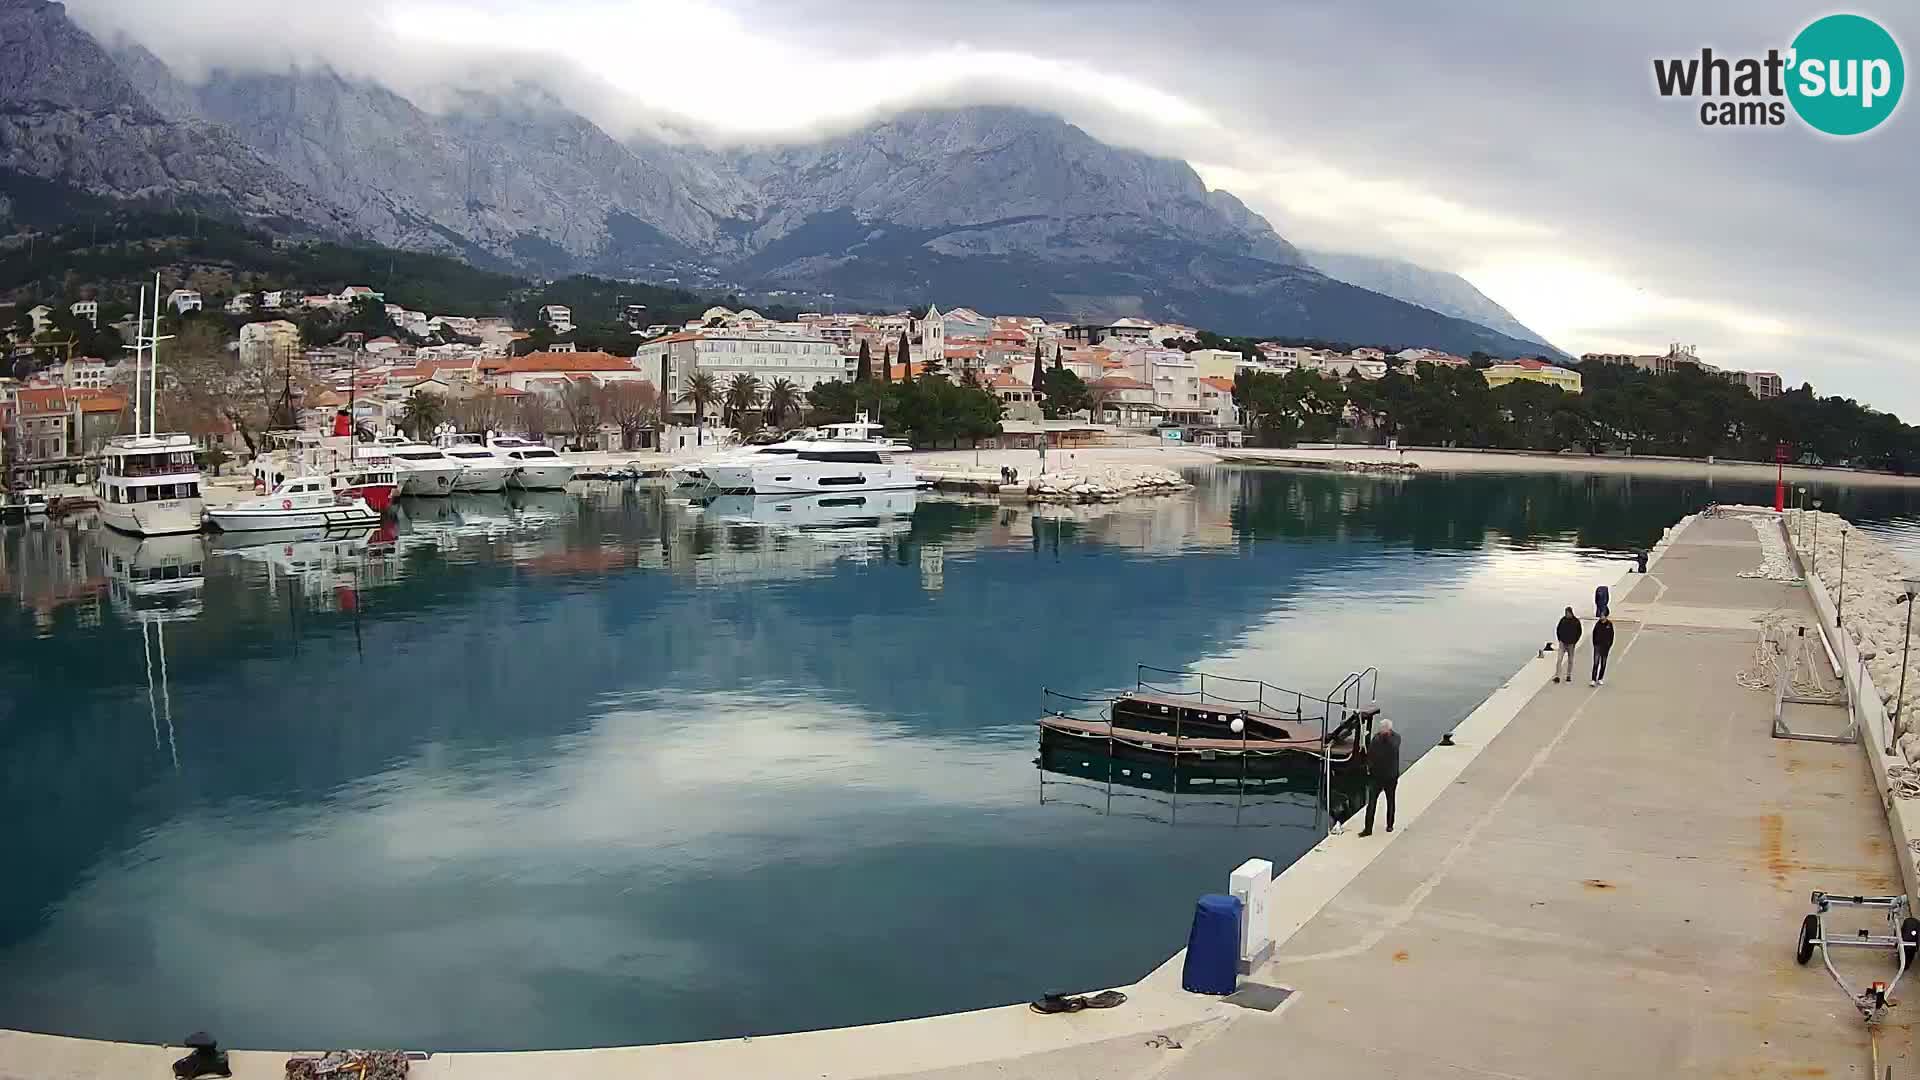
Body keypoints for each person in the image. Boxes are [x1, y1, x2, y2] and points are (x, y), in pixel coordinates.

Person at [1359, 718, 1401, 837]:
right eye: (1381, 730)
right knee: (1371, 802)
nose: (1382, 732)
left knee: (1390, 800)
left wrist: (1386, 737)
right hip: (1376, 777)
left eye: (1384, 731)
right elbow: (1371, 754)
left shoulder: (1395, 738)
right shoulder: (1376, 739)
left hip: (1390, 777)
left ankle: (1390, 824)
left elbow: (1393, 747)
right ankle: (1368, 829)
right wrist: (1369, 768)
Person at [1553, 606, 1582, 683]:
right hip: (1563, 643)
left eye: (1567, 613)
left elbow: (1579, 632)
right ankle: (1557, 676)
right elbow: (1558, 629)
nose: (1566, 614)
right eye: (1565, 613)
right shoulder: (1563, 620)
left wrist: (1575, 641)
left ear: (1571, 613)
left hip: (1571, 644)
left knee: (1570, 660)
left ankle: (1568, 675)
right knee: (1559, 659)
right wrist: (1560, 639)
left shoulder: (1576, 621)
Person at [1591, 615, 1615, 686]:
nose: (1601, 617)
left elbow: (1611, 635)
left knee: (1603, 663)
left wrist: (1609, 645)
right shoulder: (1598, 624)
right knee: (1596, 663)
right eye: (1601, 616)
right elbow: (1594, 634)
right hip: (1597, 646)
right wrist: (1595, 643)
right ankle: (1593, 679)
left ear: (1606, 616)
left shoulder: (1609, 624)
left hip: (1605, 647)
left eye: (1603, 616)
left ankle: (1600, 678)